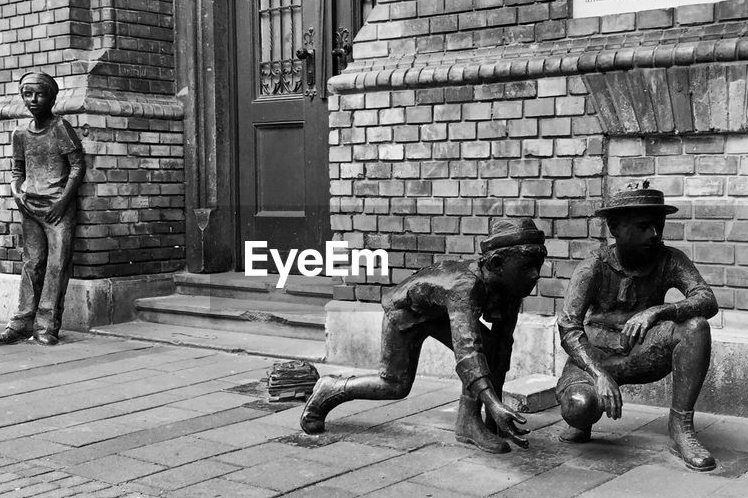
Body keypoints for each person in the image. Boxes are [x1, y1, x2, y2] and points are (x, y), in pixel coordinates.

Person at [300, 217, 548, 453]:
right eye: (526, 267)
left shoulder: (511, 287)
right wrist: (493, 404)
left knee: (493, 347)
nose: (535, 275)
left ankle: (468, 424)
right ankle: (330, 388)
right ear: (496, 264)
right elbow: (468, 351)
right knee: (394, 385)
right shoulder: (465, 287)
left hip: (437, 313)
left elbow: (502, 347)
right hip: (406, 315)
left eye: (537, 266)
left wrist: (494, 415)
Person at [556, 183, 720, 471]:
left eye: (659, 225)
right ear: (615, 227)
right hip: (595, 359)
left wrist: (659, 311)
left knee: (696, 327)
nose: (654, 234)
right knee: (578, 408)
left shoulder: (669, 259)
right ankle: (584, 419)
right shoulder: (592, 267)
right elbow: (568, 327)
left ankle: (681, 427)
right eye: (644, 226)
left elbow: (707, 299)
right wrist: (598, 374)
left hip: (642, 353)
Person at [0, 71, 86, 346]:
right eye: (27, 94)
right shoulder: (21, 133)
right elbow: (17, 170)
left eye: (39, 94)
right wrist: (17, 192)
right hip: (30, 206)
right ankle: (21, 323)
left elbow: (78, 165)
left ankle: (46, 326)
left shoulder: (60, 128)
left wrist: (63, 202)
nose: (33, 99)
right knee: (32, 264)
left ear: (52, 97)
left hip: (57, 208)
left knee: (57, 266)